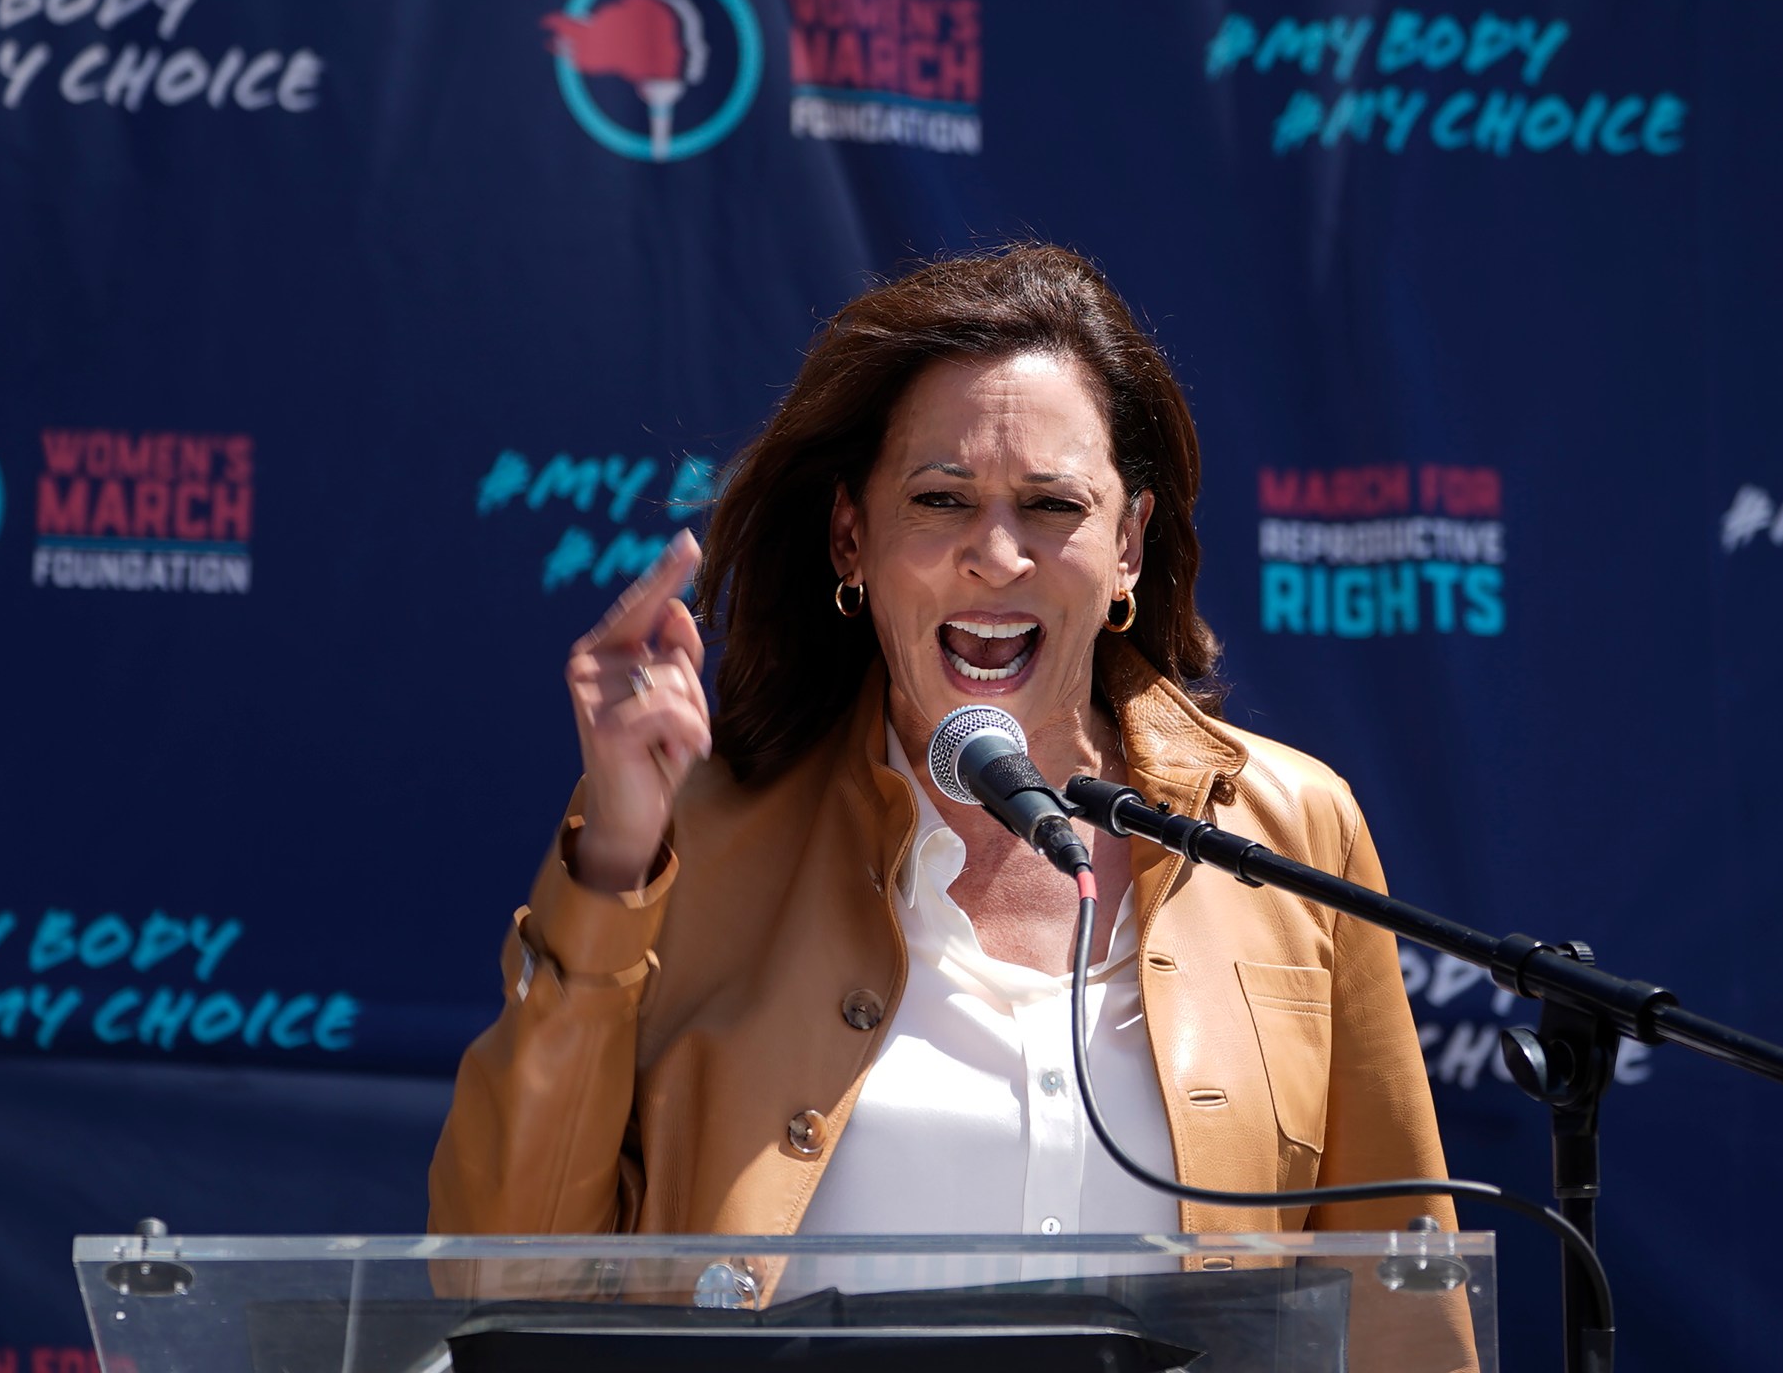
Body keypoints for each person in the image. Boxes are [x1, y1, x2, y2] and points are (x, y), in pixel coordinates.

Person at [428, 244, 1458, 1255]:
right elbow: (498, 1263)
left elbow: (1400, 1298)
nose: (997, 555)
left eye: (1053, 507)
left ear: (1128, 546)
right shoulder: (684, 836)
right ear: (851, 539)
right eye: (940, 499)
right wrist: (613, 869)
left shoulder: (1291, 826)